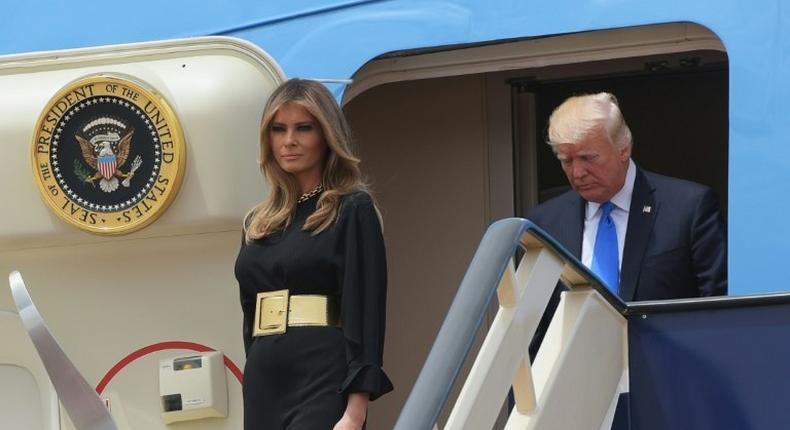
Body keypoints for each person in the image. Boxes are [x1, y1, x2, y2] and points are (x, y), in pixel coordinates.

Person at [235, 78, 393, 430]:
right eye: (278, 129)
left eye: (303, 128)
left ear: (326, 136)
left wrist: (355, 411)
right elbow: (249, 315)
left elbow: (365, 310)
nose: (288, 140)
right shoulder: (256, 222)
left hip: (323, 375)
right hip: (263, 378)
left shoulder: (352, 208)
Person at [528, 92, 727, 301]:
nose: (577, 172)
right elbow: (532, 316)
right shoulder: (545, 223)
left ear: (623, 149)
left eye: (588, 158)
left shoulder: (688, 208)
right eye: (567, 161)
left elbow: (718, 308)